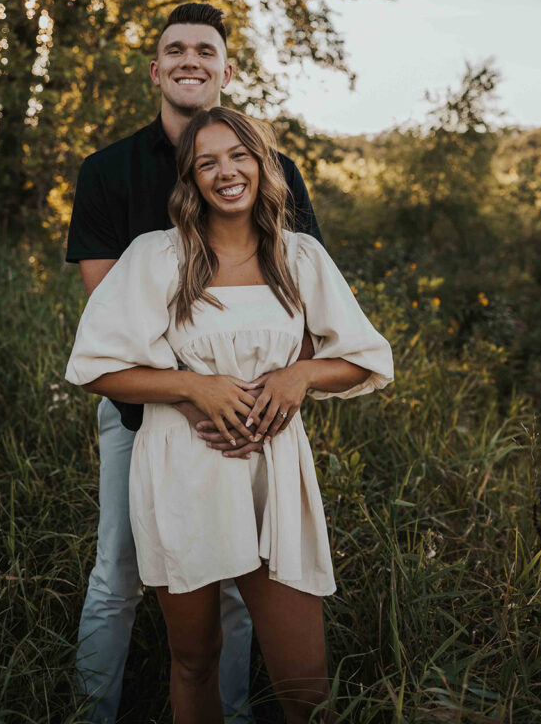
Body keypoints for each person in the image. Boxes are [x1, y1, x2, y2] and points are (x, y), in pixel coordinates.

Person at [66, 107, 394, 724]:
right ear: (189, 179)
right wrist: (193, 388)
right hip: (182, 471)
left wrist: (300, 375)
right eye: (207, 162)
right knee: (196, 659)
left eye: (239, 156)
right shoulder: (156, 256)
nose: (226, 173)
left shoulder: (300, 258)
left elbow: (365, 358)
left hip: (275, 472)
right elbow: (95, 367)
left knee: (305, 683)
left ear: (263, 164)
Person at [65, 2, 325, 723]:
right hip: (142, 417)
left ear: (224, 69)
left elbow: (300, 302)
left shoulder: (274, 168)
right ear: (156, 69)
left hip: (254, 419)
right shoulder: (108, 169)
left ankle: (231, 713)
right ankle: (95, 713)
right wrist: (194, 399)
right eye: (174, 50)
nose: (189, 60)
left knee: (240, 582)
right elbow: (105, 320)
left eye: (203, 50)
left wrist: (260, 401)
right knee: (118, 574)